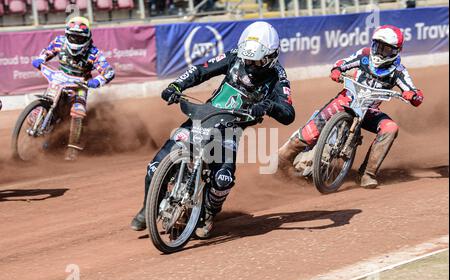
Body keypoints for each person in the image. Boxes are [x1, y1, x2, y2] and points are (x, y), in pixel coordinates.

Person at [130, 21, 295, 238]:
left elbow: (288, 114)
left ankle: (208, 213)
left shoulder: (278, 77)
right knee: (155, 166)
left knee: (223, 179)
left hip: (231, 128)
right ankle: (147, 207)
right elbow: (201, 70)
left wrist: (269, 105)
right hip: (204, 116)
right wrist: (177, 86)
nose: (249, 64)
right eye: (247, 58)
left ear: (270, 56)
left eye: (255, 61)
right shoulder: (235, 56)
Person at [278, 25, 424, 188]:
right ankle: (284, 157)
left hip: (370, 111)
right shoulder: (364, 56)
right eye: (378, 46)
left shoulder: (399, 71)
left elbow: (414, 92)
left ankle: (367, 173)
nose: (380, 51)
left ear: (396, 51)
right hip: (345, 100)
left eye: (386, 49)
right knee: (310, 132)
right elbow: (343, 63)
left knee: (390, 128)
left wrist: (413, 96)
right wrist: (337, 70)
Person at [31, 16, 115, 161]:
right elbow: (47, 51)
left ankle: (72, 148)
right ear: (67, 34)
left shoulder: (93, 53)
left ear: (87, 37)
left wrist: (96, 81)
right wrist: (41, 59)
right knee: (35, 114)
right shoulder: (60, 42)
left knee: (78, 111)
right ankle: (40, 124)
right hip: (59, 79)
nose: (75, 40)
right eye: (73, 36)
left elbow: (109, 72)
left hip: (80, 85)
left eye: (79, 37)